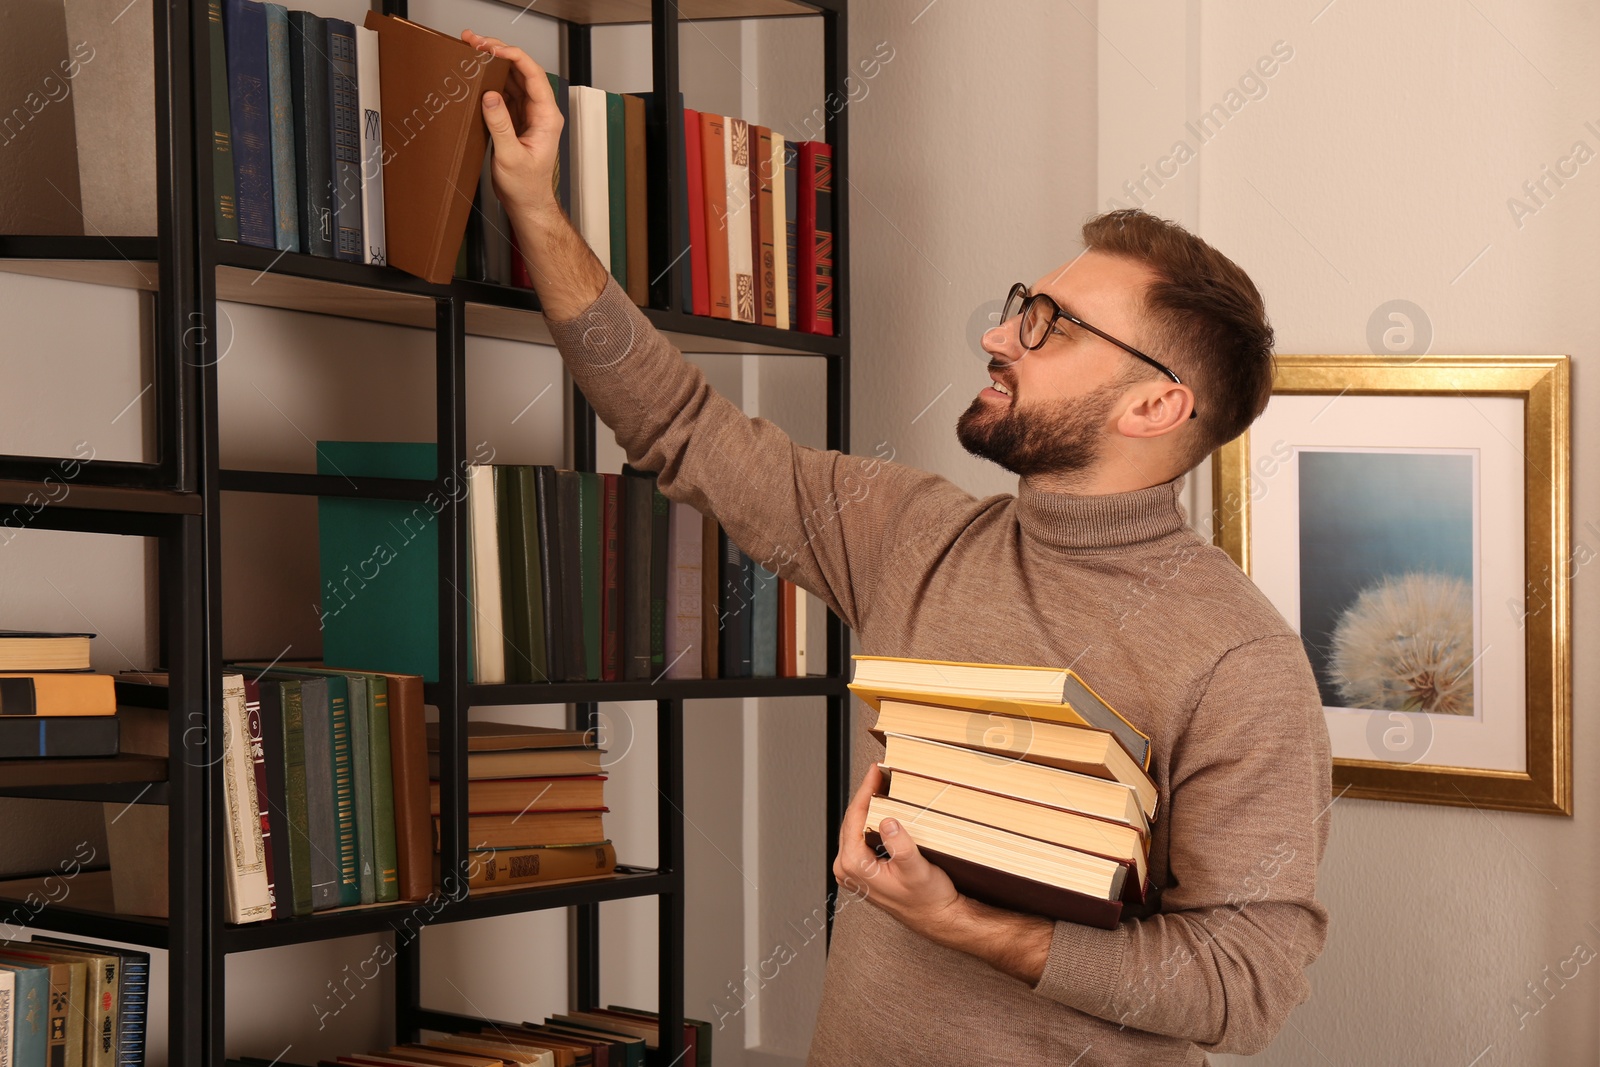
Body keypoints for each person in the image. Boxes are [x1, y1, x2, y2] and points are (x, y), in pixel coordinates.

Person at [464, 29, 1331, 1066]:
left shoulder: (1239, 660)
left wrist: (964, 922)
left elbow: (1243, 984)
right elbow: (680, 426)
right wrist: (535, 206)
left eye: (1048, 324)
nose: (1000, 334)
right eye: (1023, 305)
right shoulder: (911, 532)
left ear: (1154, 403)